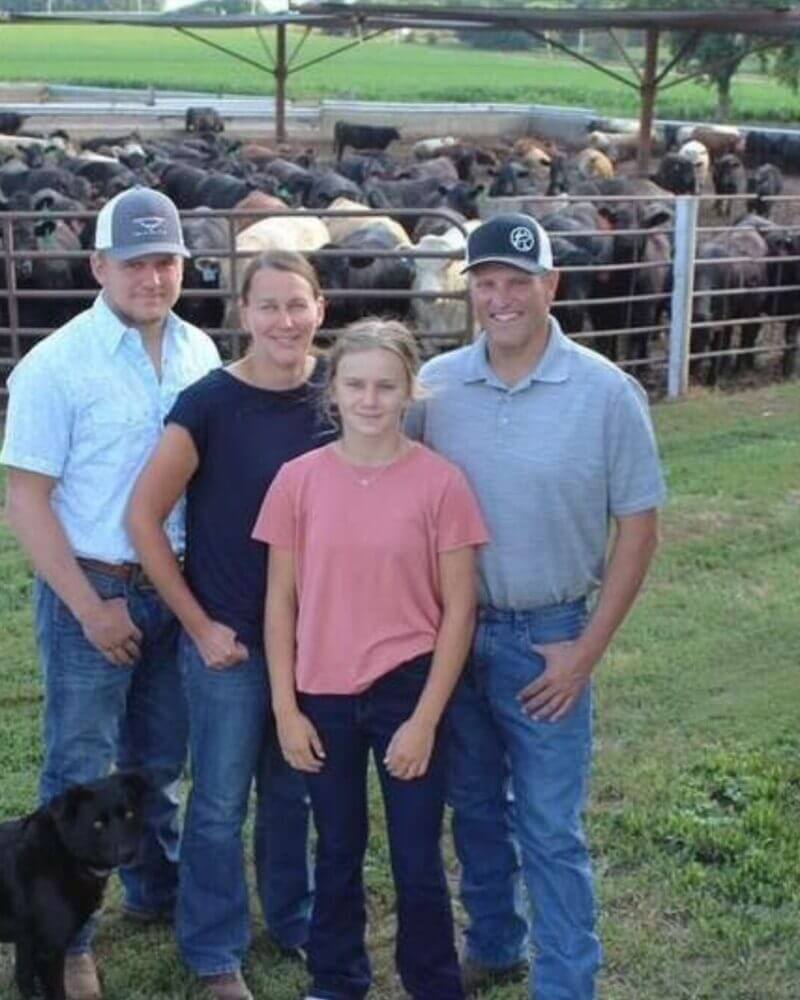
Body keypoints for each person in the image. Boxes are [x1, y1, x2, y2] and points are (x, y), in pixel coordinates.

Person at [406, 213, 667, 1000]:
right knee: (475, 807)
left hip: (551, 633)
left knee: (549, 827)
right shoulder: (438, 387)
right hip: (456, 631)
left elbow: (640, 526)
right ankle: (495, 942)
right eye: (485, 283)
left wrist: (586, 650)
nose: (501, 298)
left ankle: (567, 984)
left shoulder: (605, 392)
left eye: (518, 282)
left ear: (551, 285)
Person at [0, 186, 221, 1000]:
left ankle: (152, 893)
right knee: (80, 766)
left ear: (183, 265)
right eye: (133, 263)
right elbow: (25, 498)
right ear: (99, 265)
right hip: (92, 580)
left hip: (174, 583)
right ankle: (69, 939)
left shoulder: (202, 353)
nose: (151, 278)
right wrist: (90, 608)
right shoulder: (56, 365)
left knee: (160, 761)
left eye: (165, 261)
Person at [253, 319, 489, 1000]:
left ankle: (433, 983)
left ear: (410, 391)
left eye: (386, 385)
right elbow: (280, 607)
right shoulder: (297, 482)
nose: (370, 398)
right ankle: (338, 979)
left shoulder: (441, 484)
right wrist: (285, 708)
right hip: (322, 691)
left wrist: (424, 719)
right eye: (355, 384)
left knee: (417, 857)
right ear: (333, 390)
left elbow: (459, 613)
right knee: (337, 848)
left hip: (409, 688)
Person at [127, 250, 329, 1000]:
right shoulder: (208, 404)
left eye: (297, 304)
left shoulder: (341, 396)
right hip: (232, 642)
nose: (284, 321)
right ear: (243, 314)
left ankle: (293, 916)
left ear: (321, 309)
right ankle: (213, 949)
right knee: (216, 802)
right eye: (268, 306)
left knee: (294, 789)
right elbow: (144, 518)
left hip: (314, 641)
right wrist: (199, 624)